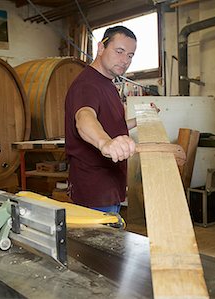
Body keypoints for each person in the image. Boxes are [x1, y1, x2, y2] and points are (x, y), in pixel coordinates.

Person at [64, 25, 138, 213]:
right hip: (95, 190)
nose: (125, 60)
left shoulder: (108, 84)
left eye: (130, 55)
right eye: (119, 51)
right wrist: (105, 143)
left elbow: (113, 126)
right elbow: (84, 118)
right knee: (100, 242)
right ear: (101, 48)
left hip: (109, 185)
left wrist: (138, 121)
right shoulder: (88, 84)